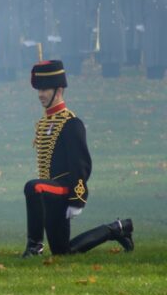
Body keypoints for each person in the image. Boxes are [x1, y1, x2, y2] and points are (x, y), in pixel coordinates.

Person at [21, 60, 134, 257]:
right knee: (63, 252)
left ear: (59, 90)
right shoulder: (44, 123)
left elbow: (81, 165)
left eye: (45, 89)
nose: (40, 94)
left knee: (33, 187)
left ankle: (34, 246)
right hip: (50, 192)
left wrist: (77, 198)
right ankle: (116, 229)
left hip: (64, 187)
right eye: (39, 89)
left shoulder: (71, 123)